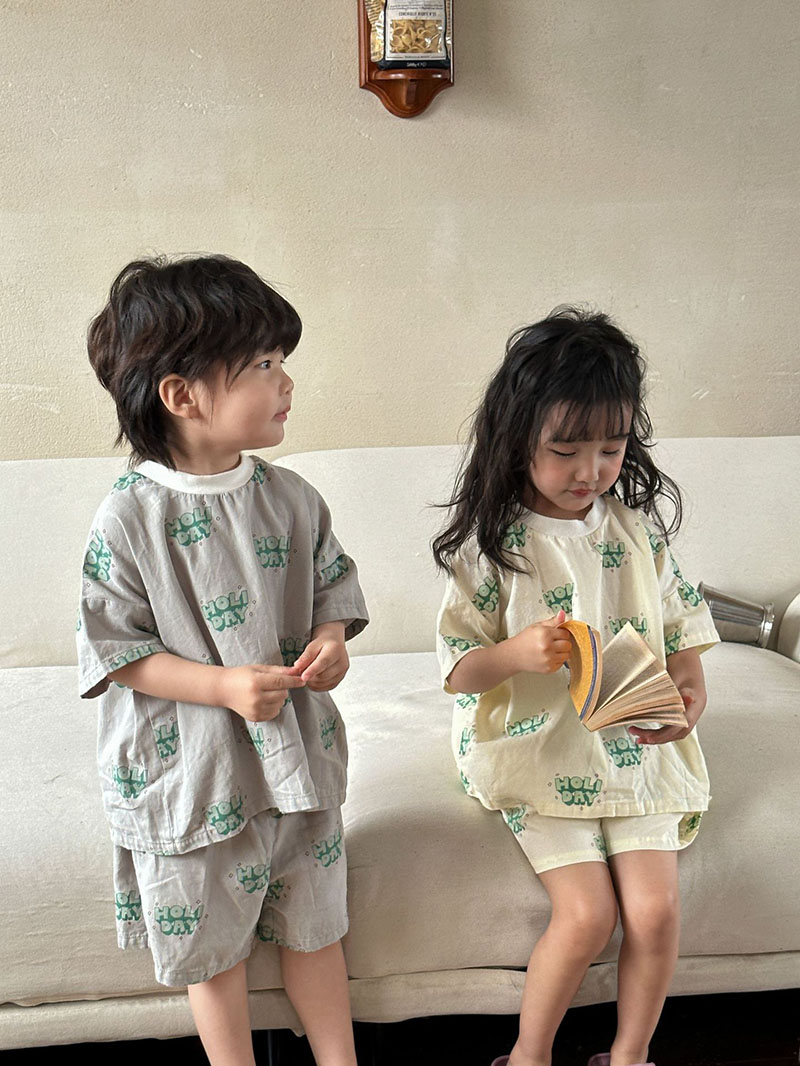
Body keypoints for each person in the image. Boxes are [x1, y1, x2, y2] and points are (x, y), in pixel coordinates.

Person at [77, 255, 368, 1066]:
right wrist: (224, 686)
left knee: (315, 926)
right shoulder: (128, 518)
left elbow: (333, 593)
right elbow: (118, 651)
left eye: (282, 361)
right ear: (183, 395)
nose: (287, 381)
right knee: (211, 944)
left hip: (295, 760)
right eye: (264, 364)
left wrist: (332, 642)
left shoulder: (293, 498)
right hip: (192, 774)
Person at [432, 307, 719, 1066]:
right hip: (536, 750)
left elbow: (684, 636)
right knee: (587, 915)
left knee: (655, 911)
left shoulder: (638, 533)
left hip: (635, 746)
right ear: (517, 439)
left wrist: (689, 696)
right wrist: (515, 654)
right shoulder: (492, 549)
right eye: (565, 450)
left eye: (610, 449)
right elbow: (459, 669)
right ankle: (529, 1056)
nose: (590, 470)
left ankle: (630, 1056)